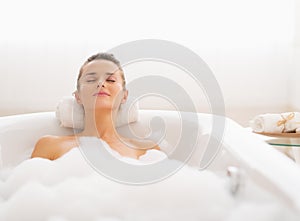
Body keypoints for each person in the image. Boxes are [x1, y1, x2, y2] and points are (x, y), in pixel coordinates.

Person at [31, 53, 160, 160]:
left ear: (124, 96)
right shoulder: (50, 145)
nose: (101, 83)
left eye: (111, 80)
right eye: (91, 80)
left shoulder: (146, 150)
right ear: (78, 96)